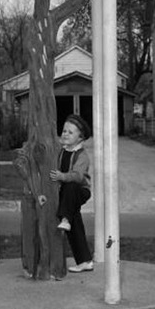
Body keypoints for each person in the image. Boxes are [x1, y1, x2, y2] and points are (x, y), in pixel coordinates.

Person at [50, 114, 94, 273]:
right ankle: (85, 261)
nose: (65, 134)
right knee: (75, 224)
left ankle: (65, 217)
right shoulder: (60, 152)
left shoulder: (82, 155)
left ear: (80, 137)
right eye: (64, 131)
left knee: (70, 187)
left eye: (70, 132)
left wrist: (62, 176)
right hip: (67, 194)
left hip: (80, 190)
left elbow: (77, 176)